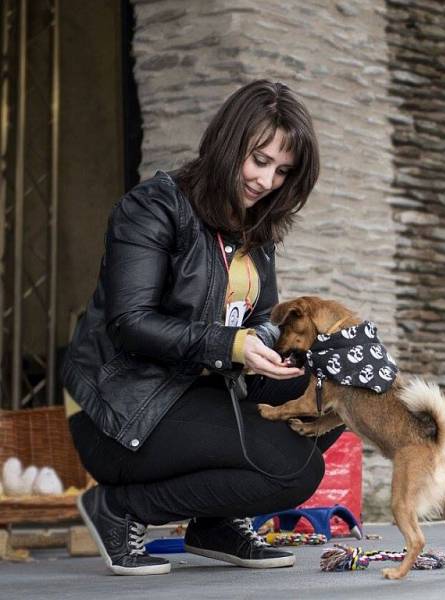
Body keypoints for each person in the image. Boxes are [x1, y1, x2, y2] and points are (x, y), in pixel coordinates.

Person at [61, 80, 343, 576]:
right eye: (258, 160)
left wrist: (307, 349)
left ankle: (215, 524)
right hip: (122, 409)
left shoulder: (255, 226)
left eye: (282, 171)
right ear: (228, 141)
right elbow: (130, 323)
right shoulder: (153, 208)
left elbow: (259, 322)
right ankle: (122, 508)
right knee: (294, 466)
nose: (267, 181)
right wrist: (229, 344)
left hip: (198, 392)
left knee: (331, 394)